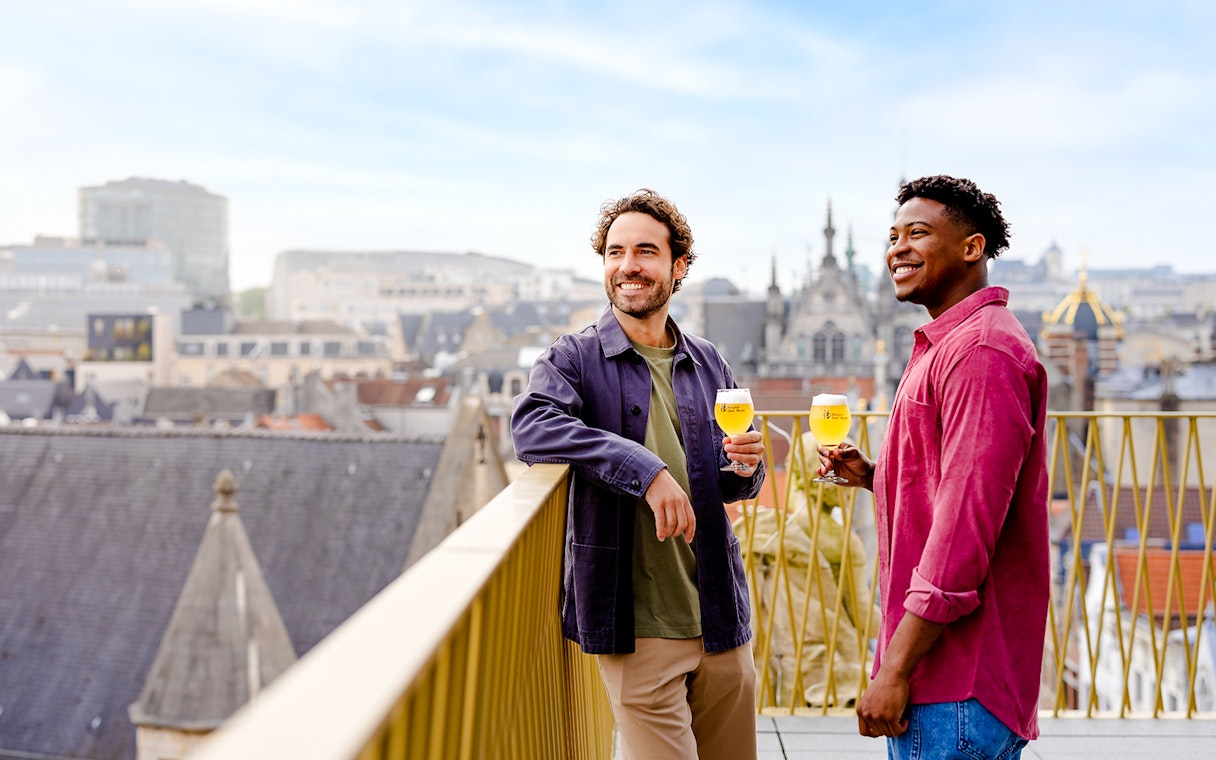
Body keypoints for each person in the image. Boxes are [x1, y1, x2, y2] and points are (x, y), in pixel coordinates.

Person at [511, 188, 766, 760]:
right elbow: (532, 428)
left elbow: (731, 478)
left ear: (677, 267)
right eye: (615, 251)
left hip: (721, 618)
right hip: (639, 628)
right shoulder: (572, 358)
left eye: (646, 251)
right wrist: (643, 469)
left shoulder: (709, 361)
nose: (628, 265)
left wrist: (746, 466)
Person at [820, 175, 1049, 759]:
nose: (897, 247)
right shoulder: (955, 341)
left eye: (917, 233)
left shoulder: (980, 354)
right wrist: (877, 475)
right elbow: (955, 482)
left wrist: (894, 669)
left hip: (954, 680)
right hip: (949, 678)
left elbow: (962, 536)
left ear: (972, 248)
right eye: (892, 235)